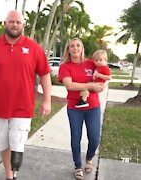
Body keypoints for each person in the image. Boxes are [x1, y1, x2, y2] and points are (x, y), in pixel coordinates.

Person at [0, 10, 52, 180]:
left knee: (17, 142)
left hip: (23, 106)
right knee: (3, 143)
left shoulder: (34, 48)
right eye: (11, 21)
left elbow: (44, 74)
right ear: (5, 24)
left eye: (18, 22)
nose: (15, 25)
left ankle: (14, 170)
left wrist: (47, 100)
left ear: (23, 25)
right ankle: (9, 176)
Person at [58, 38, 105, 180]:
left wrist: (100, 85)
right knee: (75, 138)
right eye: (72, 46)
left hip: (93, 107)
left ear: (82, 47)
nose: (75, 48)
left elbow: (103, 77)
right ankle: (78, 165)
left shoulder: (91, 63)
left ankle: (89, 159)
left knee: (95, 138)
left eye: (78, 45)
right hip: (74, 108)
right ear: (68, 49)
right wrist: (90, 86)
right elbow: (70, 86)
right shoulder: (65, 66)